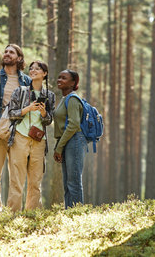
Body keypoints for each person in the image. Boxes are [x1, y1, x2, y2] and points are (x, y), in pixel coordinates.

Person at [0, 44, 31, 211]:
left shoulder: (27, 81)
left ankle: (14, 212)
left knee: (17, 176)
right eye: (5, 51)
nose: (7, 54)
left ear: (19, 58)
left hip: (20, 131)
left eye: (11, 52)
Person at [6, 61, 55, 211]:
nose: (33, 71)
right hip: (20, 137)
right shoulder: (20, 91)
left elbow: (49, 120)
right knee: (16, 180)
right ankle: (13, 216)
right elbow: (11, 114)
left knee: (35, 181)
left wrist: (43, 113)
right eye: (31, 68)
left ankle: (32, 215)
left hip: (39, 140)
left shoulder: (50, 95)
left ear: (44, 73)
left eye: (37, 68)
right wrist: (27, 109)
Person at [53, 69, 87, 209]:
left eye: (64, 78)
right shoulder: (64, 99)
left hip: (74, 141)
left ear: (73, 83)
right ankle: (69, 213)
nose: (59, 80)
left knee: (73, 182)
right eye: (59, 77)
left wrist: (59, 147)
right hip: (66, 141)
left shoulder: (72, 99)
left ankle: (77, 214)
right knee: (67, 182)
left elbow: (73, 124)